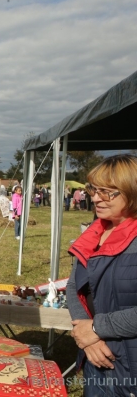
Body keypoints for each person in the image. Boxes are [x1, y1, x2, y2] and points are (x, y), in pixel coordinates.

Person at [66, 154, 137, 397]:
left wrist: (96, 328)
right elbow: (74, 285)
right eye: (93, 189)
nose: (95, 197)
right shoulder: (95, 233)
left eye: (107, 191)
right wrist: (89, 338)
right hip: (97, 358)